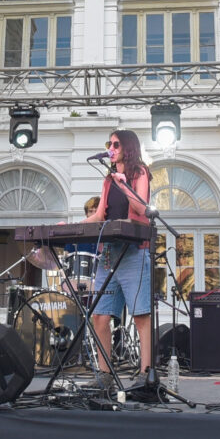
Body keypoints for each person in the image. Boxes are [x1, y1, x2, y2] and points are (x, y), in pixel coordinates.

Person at [83, 129, 153, 377]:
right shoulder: (107, 180)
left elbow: (141, 208)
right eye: (109, 143)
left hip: (134, 252)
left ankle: (146, 374)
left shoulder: (139, 172)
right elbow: (100, 215)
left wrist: (123, 184)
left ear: (128, 148)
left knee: (141, 317)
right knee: (100, 317)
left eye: (115, 144)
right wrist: (69, 226)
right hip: (109, 253)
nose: (111, 148)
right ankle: (105, 376)